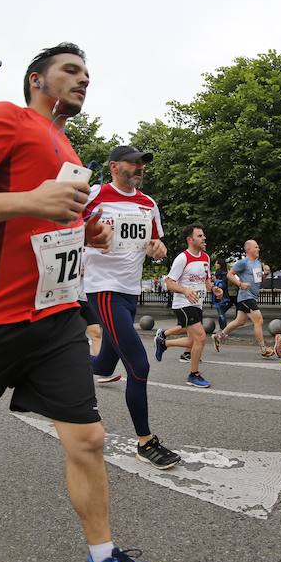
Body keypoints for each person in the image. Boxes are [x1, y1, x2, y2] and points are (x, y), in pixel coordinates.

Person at [0, 43, 167, 562]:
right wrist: (34, 200)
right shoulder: (6, 119)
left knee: (88, 438)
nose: (84, 80)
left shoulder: (66, 143)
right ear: (37, 79)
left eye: (88, 74)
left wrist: (88, 231)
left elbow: (55, 221)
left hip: (55, 314)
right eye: (71, 71)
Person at [85, 145, 179, 471]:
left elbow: (156, 244)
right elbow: (65, 229)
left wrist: (158, 248)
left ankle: (48, 366)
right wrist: (91, 235)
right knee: (139, 365)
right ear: (114, 166)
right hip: (102, 289)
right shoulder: (94, 195)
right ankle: (145, 442)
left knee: (103, 364)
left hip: (129, 293)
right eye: (133, 162)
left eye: (142, 164)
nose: (139, 167)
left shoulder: (148, 204)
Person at [156, 224, 221, 388]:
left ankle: (164, 343)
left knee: (193, 341)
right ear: (190, 239)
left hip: (197, 303)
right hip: (183, 303)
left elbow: (206, 281)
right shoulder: (182, 258)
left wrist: (214, 289)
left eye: (203, 235)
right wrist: (185, 290)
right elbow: (169, 283)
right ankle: (193, 375)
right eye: (200, 236)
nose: (204, 238)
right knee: (200, 337)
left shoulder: (205, 257)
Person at [212, 240, 274, 357]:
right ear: (249, 249)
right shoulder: (243, 263)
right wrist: (240, 284)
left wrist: (265, 273)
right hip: (246, 296)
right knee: (259, 320)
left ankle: (218, 336)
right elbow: (229, 274)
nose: (258, 249)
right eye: (256, 247)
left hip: (252, 297)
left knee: (240, 321)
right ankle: (263, 349)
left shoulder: (258, 263)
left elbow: (260, 282)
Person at [211, 257, 233, 330]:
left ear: (220, 264)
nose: (215, 264)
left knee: (221, 314)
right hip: (222, 295)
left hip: (221, 296)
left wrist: (215, 280)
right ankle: (223, 329)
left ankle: (223, 330)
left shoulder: (222, 273)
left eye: (216, 263)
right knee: (221, 313)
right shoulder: (221, 272)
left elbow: (222, 285)